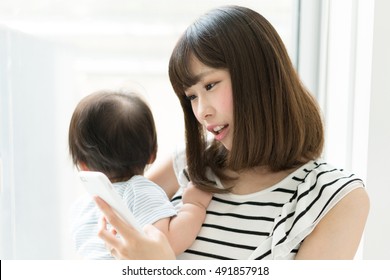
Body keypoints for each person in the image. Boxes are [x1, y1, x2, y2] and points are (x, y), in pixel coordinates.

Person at [95, 5, 369, 260]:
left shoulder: (336, 198)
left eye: (211, 86)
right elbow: (104, 233)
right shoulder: (187, 163)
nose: (202, 111)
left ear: (259, 76)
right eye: (191, 96)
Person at [68, 89, 212, 259]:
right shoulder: (140, 191)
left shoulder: (82, 207)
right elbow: (167, 243)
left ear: (83, 165)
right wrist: (194, 206)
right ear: (153, 153)